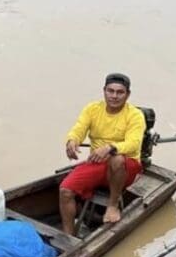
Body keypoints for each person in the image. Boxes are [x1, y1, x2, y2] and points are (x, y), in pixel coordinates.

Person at [60, 74, 146, 234]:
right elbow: (79, 128)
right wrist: (72, 140)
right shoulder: (92, 109)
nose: (114, 96)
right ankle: (68, 235)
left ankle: (112, 205)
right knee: (65, 190)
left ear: (128, 94)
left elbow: (134, 143)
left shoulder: (135, 115)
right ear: (104, 91)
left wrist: (110, 147)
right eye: (110, 91)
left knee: (117, 159)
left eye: (120, 92)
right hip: (98, 162)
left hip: (126, 166)